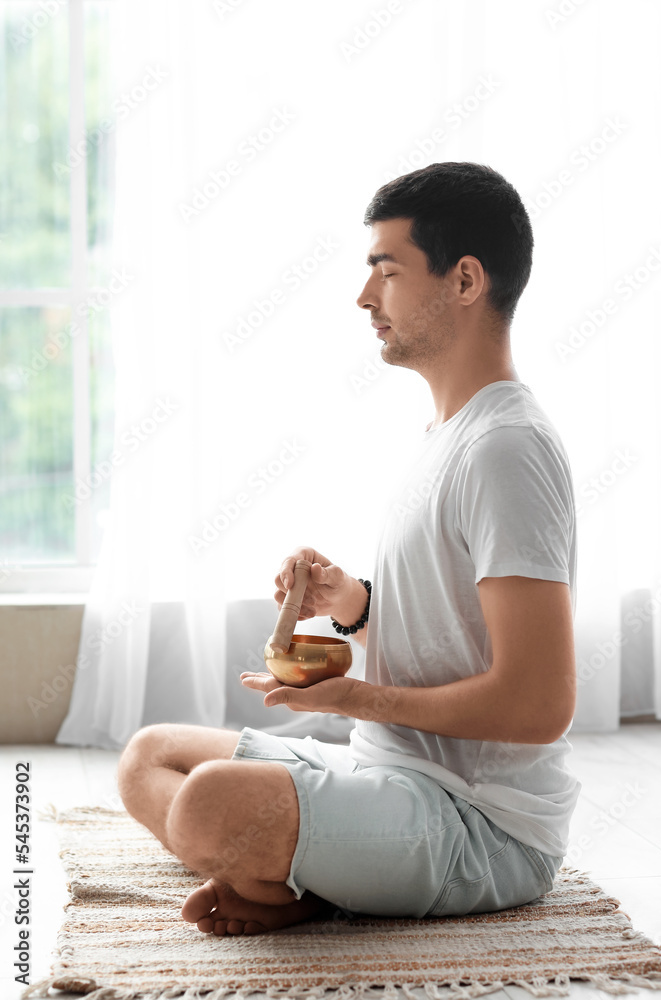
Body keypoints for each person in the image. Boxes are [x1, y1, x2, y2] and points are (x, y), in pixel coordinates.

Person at [117, 161, 581, 937]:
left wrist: (350, 699)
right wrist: (354, 606)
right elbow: (452, 630)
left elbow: (538, 706)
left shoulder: (506, 447)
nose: (364, 298)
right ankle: (296, 879)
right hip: (383, 767)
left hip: (478, 823)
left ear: (464, 281)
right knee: (148, 758)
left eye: (386, 272)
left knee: (207, 804)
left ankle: (291, 874)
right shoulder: (447, 434)